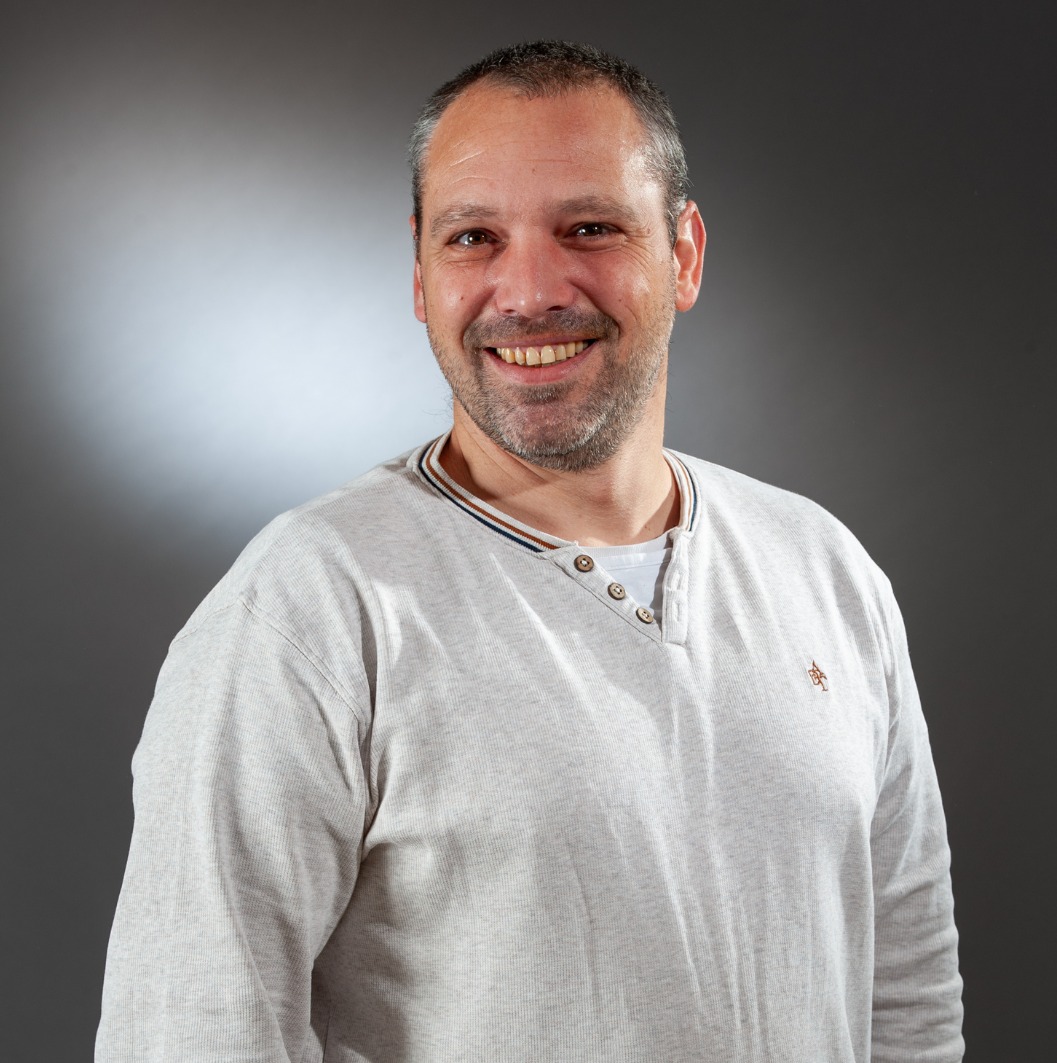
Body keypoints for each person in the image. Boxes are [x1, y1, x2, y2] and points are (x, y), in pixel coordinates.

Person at [97, 40, 964, 1063]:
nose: (528, 290)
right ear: (420, 274)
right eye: (474, 237)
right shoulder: (308, 610)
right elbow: (189, 1031)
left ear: (682, 255)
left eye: (589, 228)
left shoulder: (823, 568)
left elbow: (907, 1004)